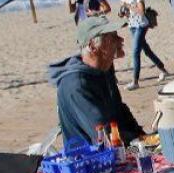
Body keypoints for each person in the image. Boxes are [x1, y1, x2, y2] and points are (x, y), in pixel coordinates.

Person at [47, 15, 145, 147]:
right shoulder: (77, 85)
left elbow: (119, 109)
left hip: (117, 148)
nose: (120, 40)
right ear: (93, 46)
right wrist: (136, 140)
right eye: (112, 37)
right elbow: (103, 133)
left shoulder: (105, 68)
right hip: (90, 159)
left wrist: (142, 136)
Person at [116, 0, 169, 90]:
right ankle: (163, 69)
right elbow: (124, 12)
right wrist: (122, 13)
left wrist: (128, 6)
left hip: (141, 25)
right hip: (132, 25)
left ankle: (135, 81)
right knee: (146, 50)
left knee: (135, 52)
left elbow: (141, 11)